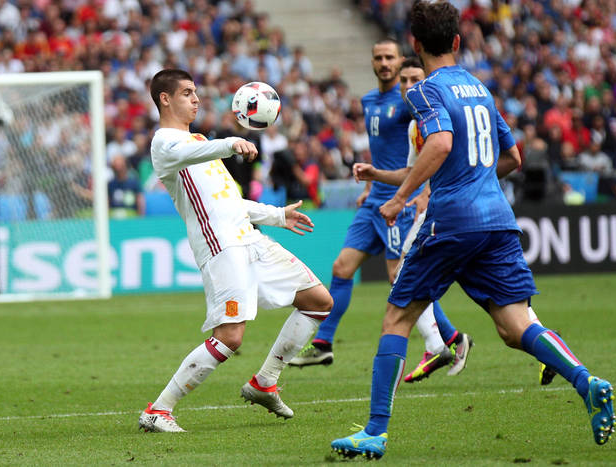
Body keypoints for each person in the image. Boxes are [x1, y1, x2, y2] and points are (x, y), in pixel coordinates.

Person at [331, 2, 615, 459]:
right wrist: (478, 180)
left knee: (397, 318)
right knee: (515, 325)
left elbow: (440, 143)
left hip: (450, 221)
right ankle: (587, 381)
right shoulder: (479, 88)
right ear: (458, 41)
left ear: (415, 45)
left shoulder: (424, 90)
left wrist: (401, 197)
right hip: (497, 220)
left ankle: (374, 431)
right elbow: (513, 157)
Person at [138, 69, 333, 433]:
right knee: (230, 336)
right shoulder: (165, 143)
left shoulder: (198, 140)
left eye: (195, 92)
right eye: (186, 93)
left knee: (318, 302)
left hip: (250, 238)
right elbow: (192, 152)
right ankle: (158, 410)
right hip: (221, 246)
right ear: (165, 99)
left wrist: (277, 215)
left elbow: (229, 200)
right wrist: (229, 143)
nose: (196, 99)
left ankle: (265, 382)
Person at [289, 39, 472, 378]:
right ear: (373, 62)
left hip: (399, 201)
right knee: (342, 267)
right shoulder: (369, 100)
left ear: (401, 61)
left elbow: (430, 146)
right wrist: (369, 186)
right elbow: (383, 149)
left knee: (399, 276)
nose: (385, 63)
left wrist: (424, 190)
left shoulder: (411, 101)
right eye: (379, 58)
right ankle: (324, 344)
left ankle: (449, 338)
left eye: (390, 57)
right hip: (375, 199)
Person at [352, 56, 472, 382]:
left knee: (405, 274)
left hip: (455, 208)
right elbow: (412, 170)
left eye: (414, 79)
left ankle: (441, 342)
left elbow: (447, 155)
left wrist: (424, 192)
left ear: (427, 78)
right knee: (406, 274)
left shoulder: (440, 115)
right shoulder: (413, 125)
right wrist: (376, 175)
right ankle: (444, 341)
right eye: (403, 81)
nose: (407, 86)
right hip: (439, 208)